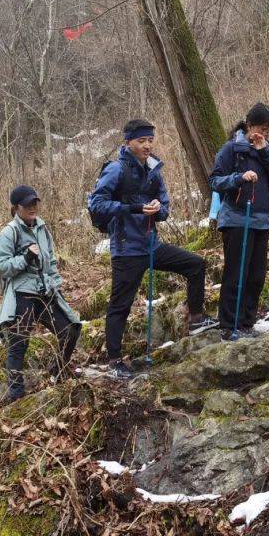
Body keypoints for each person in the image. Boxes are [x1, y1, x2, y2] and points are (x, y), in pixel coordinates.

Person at [88, 119, 219, 379]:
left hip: (151, 245)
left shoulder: (153, 169)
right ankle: (114, 361)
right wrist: (135, 208)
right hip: (126, 249)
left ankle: (195, 319)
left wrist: (160, 210)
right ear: (128, 143)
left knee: (195, 264)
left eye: (150, 140)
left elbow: (165, 206)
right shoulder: (116, 170)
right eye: (141, 141)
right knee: (120, 305)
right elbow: (97, 205)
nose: (147, 145)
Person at [0, 185, 82, 404]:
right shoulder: (8, 232)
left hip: (46, 292)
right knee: (17, 343)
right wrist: (25, 259)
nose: (33, 207)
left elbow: (50, 261)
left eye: (35, 203)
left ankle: (57, 372)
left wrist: (56, 283)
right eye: (27, 204)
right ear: (16, 208)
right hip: (22, 293)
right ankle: (16, 395)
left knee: (71, 330)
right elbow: (0, 265)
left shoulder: (43, 228)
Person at [208, 103, 269, 340]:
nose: (265, 134)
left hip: (260, 219)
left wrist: (264, 151)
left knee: (256, 275)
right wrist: (239, 178)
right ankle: (229, 325)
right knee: (236, 273)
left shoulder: (267, 149)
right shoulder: (231, 149)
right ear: (249, 124)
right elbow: (214, 181)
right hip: (236, 218)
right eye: (262, 129)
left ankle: (247, 323)